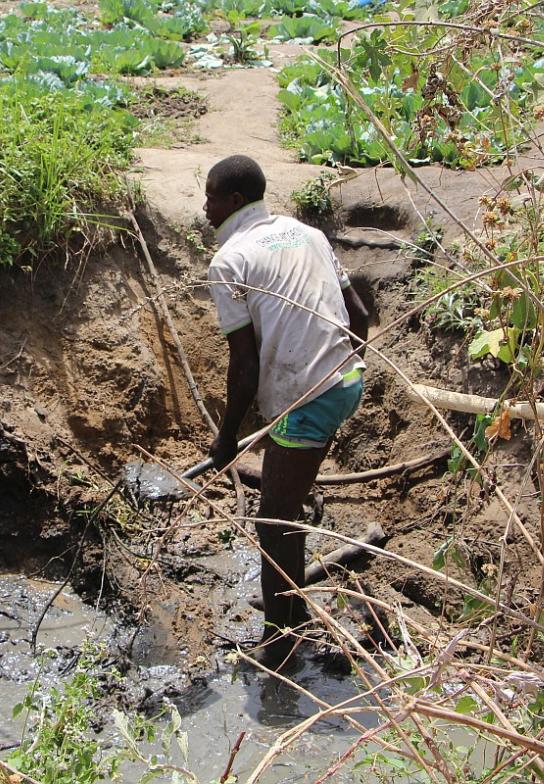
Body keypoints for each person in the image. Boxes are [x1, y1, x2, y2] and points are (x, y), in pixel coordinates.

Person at [203, 155, 370, 670]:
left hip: (308, 399)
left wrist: (227, 438)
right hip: (346, 380)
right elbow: (360, 315)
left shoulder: (229, 260)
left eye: (209, 195)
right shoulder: (308, 233)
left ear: (233, 201)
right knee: (284, 503)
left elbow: (244, 368)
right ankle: (293, 621)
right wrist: (339, 368)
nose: (204, 206)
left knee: (274, 523)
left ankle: (282, 651)